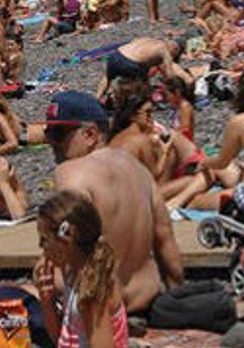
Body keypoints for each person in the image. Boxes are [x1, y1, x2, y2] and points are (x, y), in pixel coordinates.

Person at [44, 91, 184, 312]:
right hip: (146, 299)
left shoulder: (70, 172)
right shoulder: (139, 170)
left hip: (102, 309)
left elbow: (65, 251)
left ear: (90, 134)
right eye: (48, 132)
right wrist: (178, 298)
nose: (51, 141)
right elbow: (165, 240)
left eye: (59, 133)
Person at [167, 67, 244, 208]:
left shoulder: (239, 121)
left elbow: (221, 162)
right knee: (217, 169)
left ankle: (177, 202)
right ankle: (177, 200)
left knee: (194, 202)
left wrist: (204, 163)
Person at [35, 191, 130, 348]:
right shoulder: (72, 272)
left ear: (66, 240)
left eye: (44, 239)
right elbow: (60, 338)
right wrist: (47, 300)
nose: (40, 246)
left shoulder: (91, 288)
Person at [96, 37, 191, 100]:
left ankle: (97, 98)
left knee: (108, 77)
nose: (173, 58)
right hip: (130, 63)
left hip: (115, 55)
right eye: (175, 56)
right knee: (142, 86)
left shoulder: (148, 39)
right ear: (175, 49)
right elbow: (170, 76)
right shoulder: (165, 51)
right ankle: (138, 103)